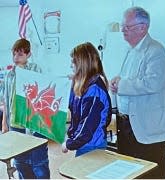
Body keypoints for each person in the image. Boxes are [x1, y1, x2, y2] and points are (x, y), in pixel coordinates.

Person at [109, 7, 165, 179]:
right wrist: (117, 81)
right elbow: (128, 80)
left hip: (148, 128)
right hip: (127, 126)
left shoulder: (155, 50)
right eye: (123, 26)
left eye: (127, 27)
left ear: (142, 27)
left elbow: (151, 83)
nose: (122, 30)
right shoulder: (129, 51)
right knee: (130, 172)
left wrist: (121, 85)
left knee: (151, 173)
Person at [0, 38, 50, 179]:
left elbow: (43, 93)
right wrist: (5, 124)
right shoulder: (10, 75)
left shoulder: (36, 70)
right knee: (21, 162)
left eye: (20, 54)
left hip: (35, 124)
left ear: (28, 55)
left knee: (39, 163)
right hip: (16, 123)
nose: (16, 58)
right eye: (14, 54)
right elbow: (6, 101)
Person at [62, 42, 112, 157]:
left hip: (91, 145)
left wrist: (70, 144)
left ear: (82, 64)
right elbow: (74, 108)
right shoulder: (84, 85)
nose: (71, 66)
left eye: (73, 63)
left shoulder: (94, 91)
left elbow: (87, 126)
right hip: (86, 144)